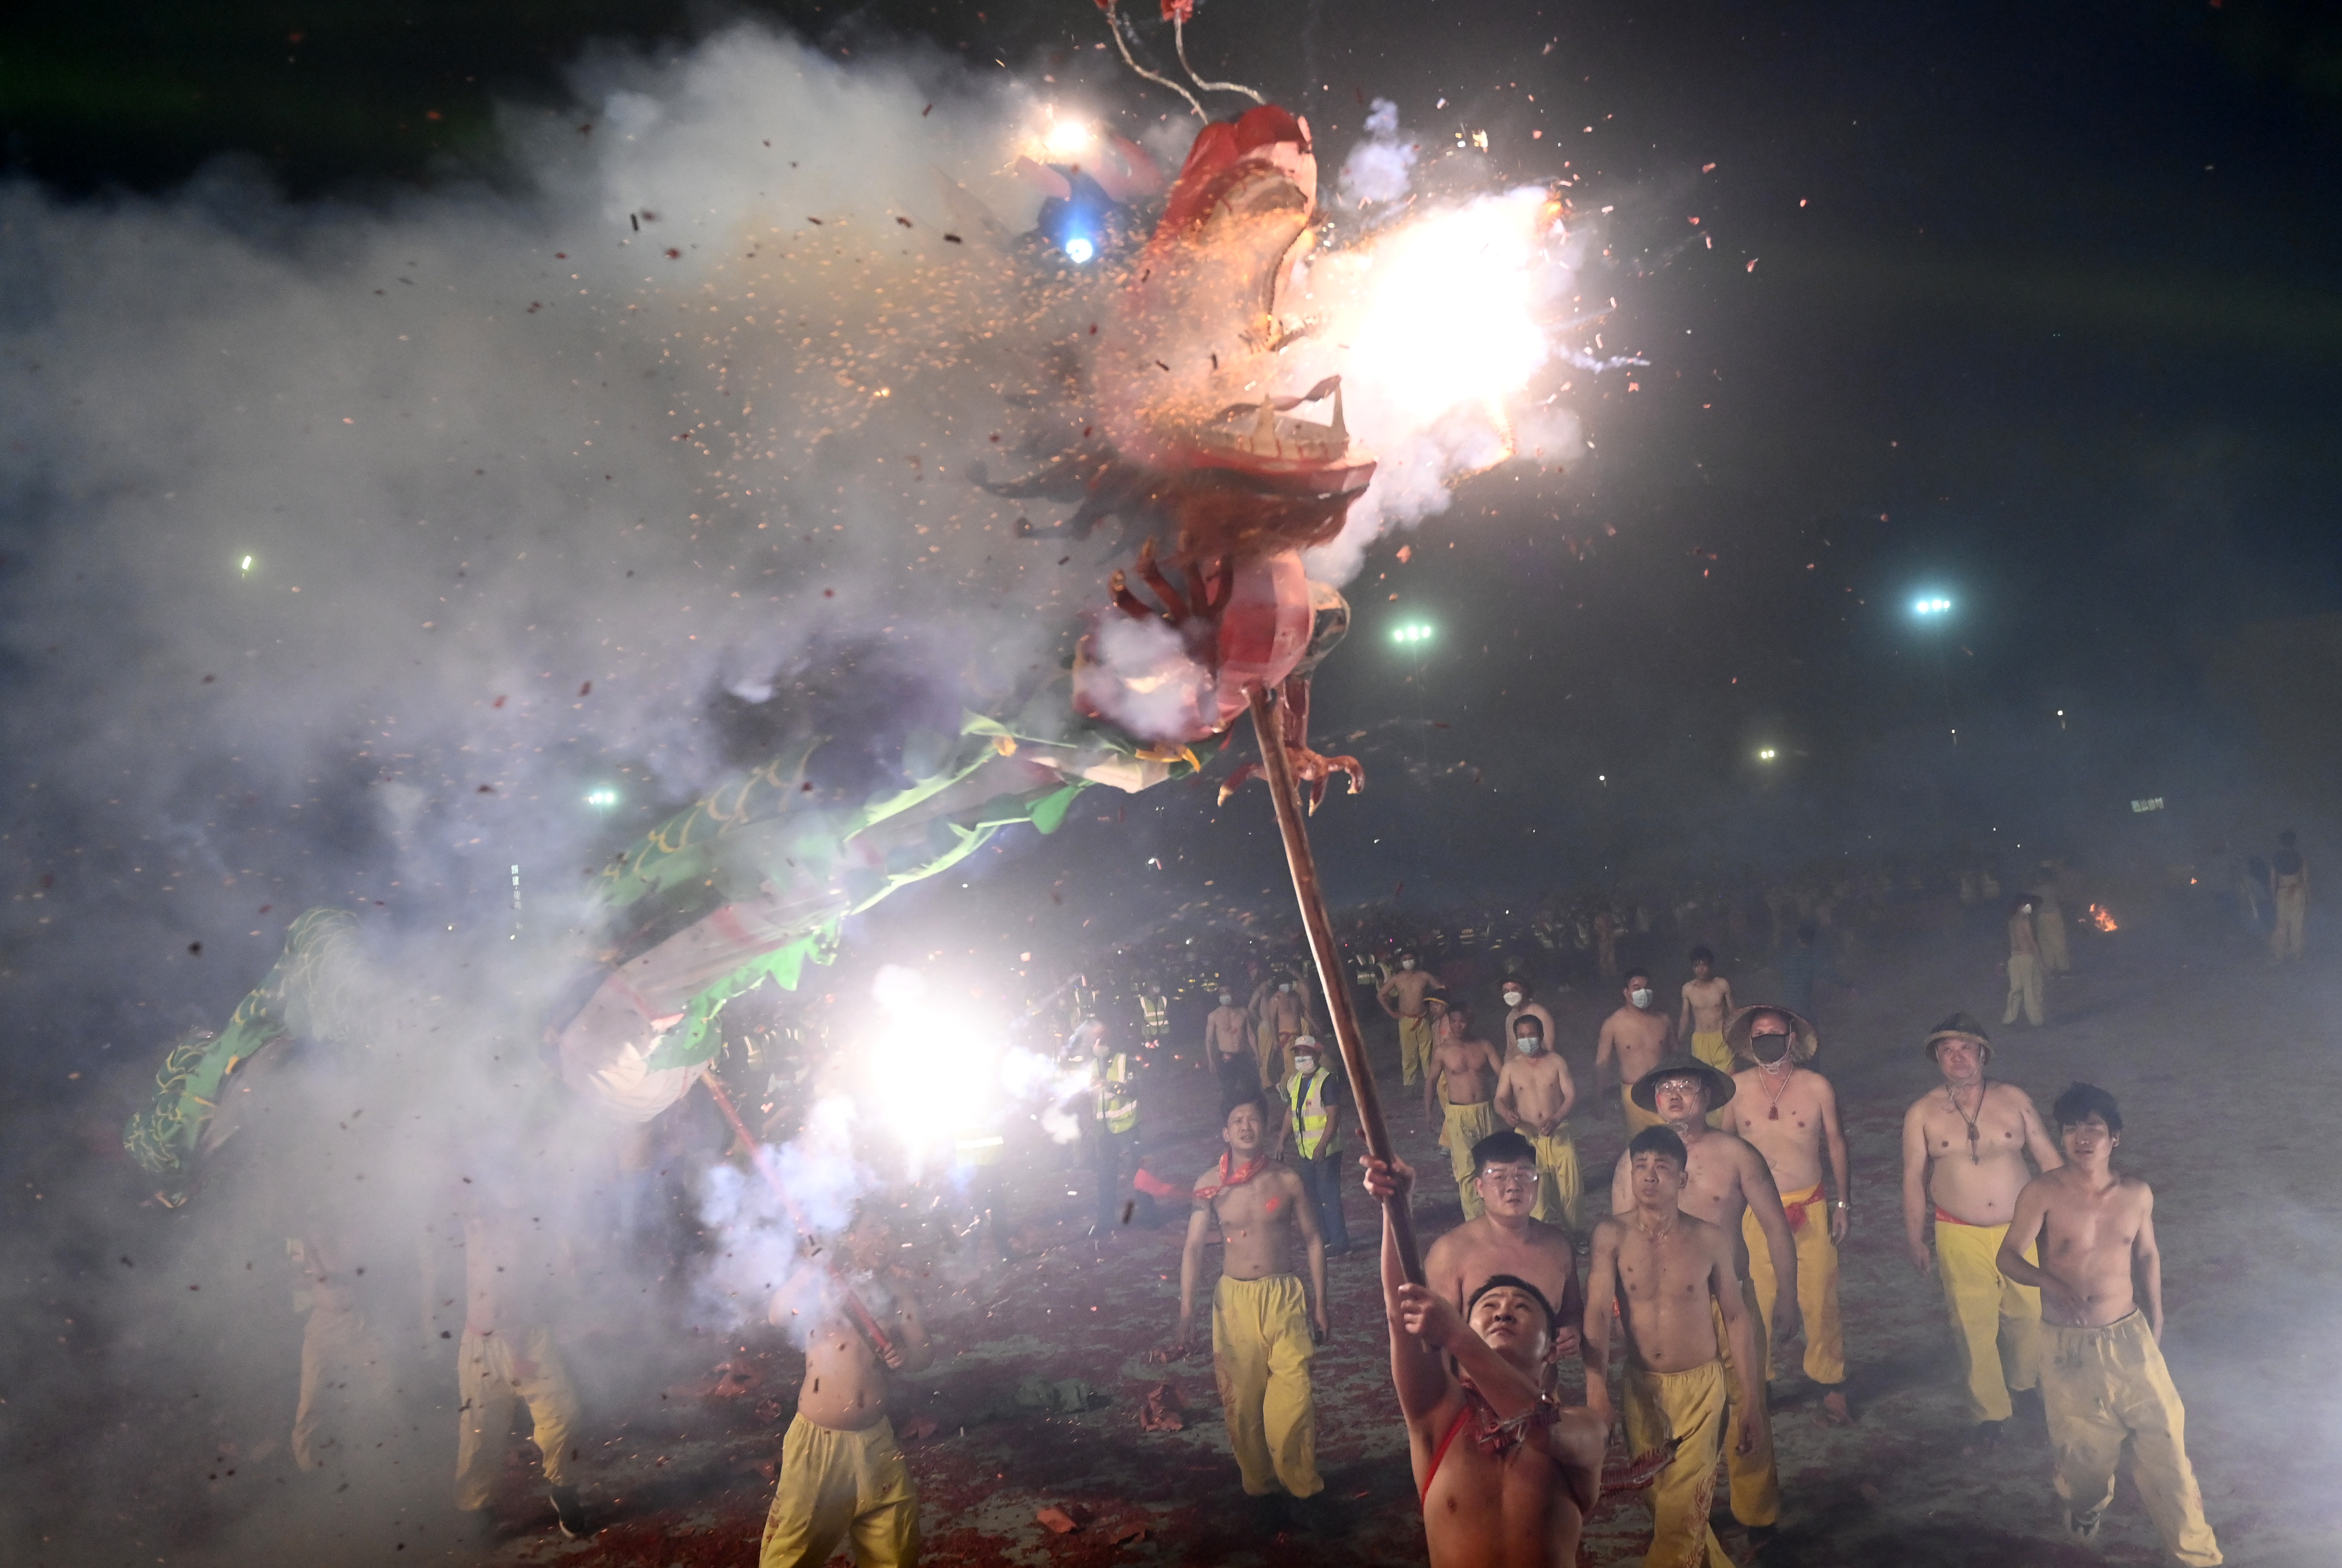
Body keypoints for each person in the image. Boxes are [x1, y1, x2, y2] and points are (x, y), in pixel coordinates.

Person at [1996, 1085, 2222, 1564]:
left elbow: (2145, 1253)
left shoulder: (2136, 1193)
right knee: (2085, 1466)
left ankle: (2196, 1556)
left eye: (2093, 1127)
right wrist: (2049, 1283)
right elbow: (2008, 1255)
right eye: (2071, 1127)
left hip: (2128, 1336)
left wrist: (2155, 1316)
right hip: (2067, 1348)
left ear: (2113, 1137)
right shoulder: (2042, 1191)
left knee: (2168, 1454)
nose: (2081, 1137)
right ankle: (2085, 1507)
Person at [1373, 1156, 1607, 1568]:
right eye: (1489, 1306)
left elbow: (1539, 1428)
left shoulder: (1585, 1426)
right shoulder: (1439, 1415)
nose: (1502, 1312)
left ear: (1552, 1346)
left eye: (1521, 1307)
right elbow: (1400, 1312)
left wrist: (1459, 1336)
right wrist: (1396, 1210)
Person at [1609, 1062, 1797, 1547]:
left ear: (1706, 1096)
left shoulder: (1735, 1154)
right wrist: (1618, 1306)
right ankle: (1681, 1509)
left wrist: (1789, 1295)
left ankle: (1758, 1515)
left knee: (1746, 1401)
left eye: (1685, 1087)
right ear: (1653, 1099)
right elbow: (1618, 1234)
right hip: (1664, 1309)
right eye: (1665, 1088)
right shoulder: (1633, 1162)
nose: (1674, 1096)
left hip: (1727, 1297)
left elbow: (1776, 1226)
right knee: (1666, 1410)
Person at [1583, 1127, 1766, 1568]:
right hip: (1640, 1387)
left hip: (1702, 1390)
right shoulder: (1609, 1234)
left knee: (1681, 1514)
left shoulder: (1709, 1238)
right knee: (1665, 1503)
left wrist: (1750, 1401)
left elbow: (1736, 1317)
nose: (1649, 1176)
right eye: (1639, 1166)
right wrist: (1596, 1392)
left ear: (1682, 1179)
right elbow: (1596, 1314)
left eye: (1661, 1167)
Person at [1899, 1014, 2063, 1450]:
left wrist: (2072, 1215)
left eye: (1965, 1048)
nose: (1956, 1057)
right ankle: (1989, 1412)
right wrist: (1914, 1236)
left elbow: (2047, 1157)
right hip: (1957, 1229)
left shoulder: (2012, 1098)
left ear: (1982, 1054)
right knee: (1972, 1324)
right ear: (1937, 1058)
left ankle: (2024, 1385)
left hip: (2019, 1227)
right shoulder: (1922, 1111)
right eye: (1946, 1050)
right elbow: (1912, 1177)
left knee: (2028, 1313)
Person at [1174, 1095, 1330, 1515]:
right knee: (1242, 1404)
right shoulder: (1210, 1185)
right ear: (1226, 1133)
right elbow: (1193, 1249)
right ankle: (1260, 1489)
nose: (1246, 1126)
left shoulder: (1288, 1180)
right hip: (1235, 1303)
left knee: (1296, 1395)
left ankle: (1302, 1488)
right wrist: (1187, 1311)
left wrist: (1321, 1302)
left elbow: (1314, 1240)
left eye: (1254, 1119)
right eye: (1237, 1120)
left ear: (1264, 1128)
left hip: (1285, 1297)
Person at [760, 1214, 933, 1568]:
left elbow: (924, 1351)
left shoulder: (897, 1294)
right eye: (875, 1229)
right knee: (791, 1553)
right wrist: (811, 1270)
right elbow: (778, 1315)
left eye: (890, 1231)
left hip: (877, 1444)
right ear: (852, 1236)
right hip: (818, 1446)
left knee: (895, 1546)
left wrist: (907, 1358)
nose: (884, 1240)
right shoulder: (821, 1286)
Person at [1719, 1006, 1852, 1426]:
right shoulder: (1735, 1089)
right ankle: (1761, 1382)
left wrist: (1843, 1204)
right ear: (1749, 1040)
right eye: (1759, 1034)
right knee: (1758, 1297)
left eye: (1775, 1034)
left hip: (1809, 1206)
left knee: (1819, 1296)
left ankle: (1830, 1382)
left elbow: (1836, 1144)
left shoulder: (1817, 1087)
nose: (1767, 1040)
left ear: (1792, 1039)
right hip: (1755, 1212)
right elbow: (1722, 1150)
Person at [455, 1173, 588, 1539]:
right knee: (479, 1433)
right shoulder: (476, 1222)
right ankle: (477, 1510)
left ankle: (563, 1488)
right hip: (480, 1345)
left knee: (563, 1417)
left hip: (529, 1339)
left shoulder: (538, 1229)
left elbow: (531, 1285)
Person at [1406, 1130, 1587, 1369]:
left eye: (1523, 1175)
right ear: (1479, 1187)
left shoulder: (1558, 1245)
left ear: (1537, 1182)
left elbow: (1571, 1311)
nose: (1513, 1187)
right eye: (1499, 1177)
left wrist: (1571, 1332)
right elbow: (1432, 1342)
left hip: (1542, 1397)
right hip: (1474, 1396)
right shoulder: (1451, 1252)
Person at [1494, 1012, 1583, 1234]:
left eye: (1531, 1035)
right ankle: (1537, 1238)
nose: (1527, 1040)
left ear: (1541, 1035)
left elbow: (1571, 1096)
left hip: (1558, 1133)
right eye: (1521, 1036)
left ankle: (1577, 1233)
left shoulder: (1556, 1062)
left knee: (1571, 1190)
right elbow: (1500, 1099)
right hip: (1527, 1137)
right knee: (1535, 1193)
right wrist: (1506, 1113)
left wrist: (1556, 1118)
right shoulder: (1511, 1068)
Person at [1426, 1004, 1505, 1222]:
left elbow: (1504, 1075)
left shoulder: (1484, 1046)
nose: (1458, 1026)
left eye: (1462, 1021)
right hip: (1459, 1114)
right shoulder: (1443, 1051)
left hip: (1486, 1110)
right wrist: (1429, 1112)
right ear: (1449, 1023)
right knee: (1466, 1168)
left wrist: (1509, 1105)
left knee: (1493, 1163)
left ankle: (1497, 1211)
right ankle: (1475, 1220)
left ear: (1470, 1021)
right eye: (1454, 1022)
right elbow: (1431, 1081)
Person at [1278, 1038, 1352, 1257]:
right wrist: (1282, 1139)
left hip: (1326, 1151)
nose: (1302, 1058)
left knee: (1328, 1196)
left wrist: (1322, 1145)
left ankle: (1340, 1243)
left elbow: (1333, 1115)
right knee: (1310, 1197)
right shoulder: (1295, 1081)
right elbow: (1291, 1112)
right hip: (1305, 1151)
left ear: (1317, 1056)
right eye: (1298, 1054)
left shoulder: (1326, 1081)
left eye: (1306, 1054)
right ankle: (1324, 1239)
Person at [1595, 969, 1675, 1135]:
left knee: (1673, 1141)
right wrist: (1599, 1099)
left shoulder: (1664, 1021)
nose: (1643, 993)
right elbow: (1603, 1064)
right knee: (1641, 1145)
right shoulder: (1613, 1024)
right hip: (1634, 1094)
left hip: (1664, 1090)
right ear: (1626, 993)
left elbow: (1677, 1056)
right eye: (1637, 988)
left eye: (1646, 988)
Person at [1085, 1021, 1140, 1235]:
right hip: (1104, 1131)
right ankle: (1105, 1221)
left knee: (1137, 1173)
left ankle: (1150, 1215)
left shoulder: (1126, 1062)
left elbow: (1134, 1090)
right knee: (1105, 1178)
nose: (1098, 1044)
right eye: (1095, 1040)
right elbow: (1091, 1099)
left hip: (1127, 1127)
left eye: (1102, 1039)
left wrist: (1109, 1085)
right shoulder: (1091, 1066)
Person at [1380, 951, 1445, 1088]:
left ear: (1416, 960)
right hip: (1406, 1020)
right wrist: (1392, 1013)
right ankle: (1409, 1084)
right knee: (1409, 1055)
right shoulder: (1397, 979)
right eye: (1405, 959)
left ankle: (1431, 1082)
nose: (1408, 961)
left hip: (1423, 1018)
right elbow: (1381, 995)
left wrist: (1436, 1009)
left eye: (1411, 958)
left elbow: (1441, 990)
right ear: (1401, 962)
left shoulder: (1424, 976)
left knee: (1427, 1053)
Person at [1677, 947, 1736, 1077]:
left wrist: (1737, 1033)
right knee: (1704, 1079)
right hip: (1700, 1040)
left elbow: (1733, 1011)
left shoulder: (1722, 985)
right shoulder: (1688, 989)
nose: (1701, 969)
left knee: (1729, 1077)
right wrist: (1679, 1038)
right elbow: (1685, 1015)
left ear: (1711, 966)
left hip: (1721, 1037)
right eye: (1697, 966)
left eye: (1704, 965)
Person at [1772, 924, 1846, 1017]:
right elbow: (1830, 974)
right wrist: (1848, 985)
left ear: (1798, 940)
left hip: (1785, 1002)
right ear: (1814, 941)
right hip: (1803, 1004)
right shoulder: (1813, 959)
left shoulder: (1789, 957)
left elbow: (1777, 974)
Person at [1207, 989, 1259, 1109]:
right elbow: (1209, 1040)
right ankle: (1229, 1114)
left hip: (1242, 1055)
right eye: (1222, 994)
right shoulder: (1214, 1016)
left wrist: (1257, 1053)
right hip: (1226, 1057)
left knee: (1250, 1087)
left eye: (1228, 993)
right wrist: (1211, 1060)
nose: (1225, 996)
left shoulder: (1243, 1013)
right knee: (1229, 1090)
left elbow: (1250, 1035)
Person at [2004, 895, 2045, 1028]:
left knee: (2016, 990)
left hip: (2014, 958)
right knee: (2031, 990)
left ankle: (2009, 1019)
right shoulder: (2024, 921)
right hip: (2027, 959)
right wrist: (2041, 962)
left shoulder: (2011, 921)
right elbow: (2031, 942)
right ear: (2020, 906)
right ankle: (2036, 1021)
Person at [1264, 974, 1312, 1083]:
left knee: (1303, 1066)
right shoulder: (1275, 1000)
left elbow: (1304, 1012)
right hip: (1285, 1038)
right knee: (1291, 1069)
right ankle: (1288, 1089)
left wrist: (1313, 1023)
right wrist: (1276, 1041)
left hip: (1299, 1037)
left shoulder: (1295, 996)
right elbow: (1273, 1022)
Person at [2270, 828, 2308, 962]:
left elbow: (2273, 880)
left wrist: (2274, 896)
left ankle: (2279, 954)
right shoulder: (2300, 858)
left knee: (2282, 923)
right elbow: (2306, 879)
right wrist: (2309, 897)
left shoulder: (2277, 858)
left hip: (2282, 891)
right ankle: (2297, 954)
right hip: (2298, 891)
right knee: (2297, 923)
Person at [2031, 867, 2073, 977]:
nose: (2038, 878)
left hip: (2044, 917)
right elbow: (2063, 899)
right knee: (2057, 942)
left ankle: (2052, 968)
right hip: (2053, 916)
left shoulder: (2036, 890)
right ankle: (2062, 968)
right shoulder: (2053, 888)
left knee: (2047, 943)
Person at [1498, 977, 1558, 1054]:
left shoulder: (1540, 1013)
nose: (1511, 994)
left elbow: (1549, 1049)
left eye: (1515, 989)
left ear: (1524, 990)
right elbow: (1510, 1050)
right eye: (1507, 991)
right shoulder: (1510, 1018)